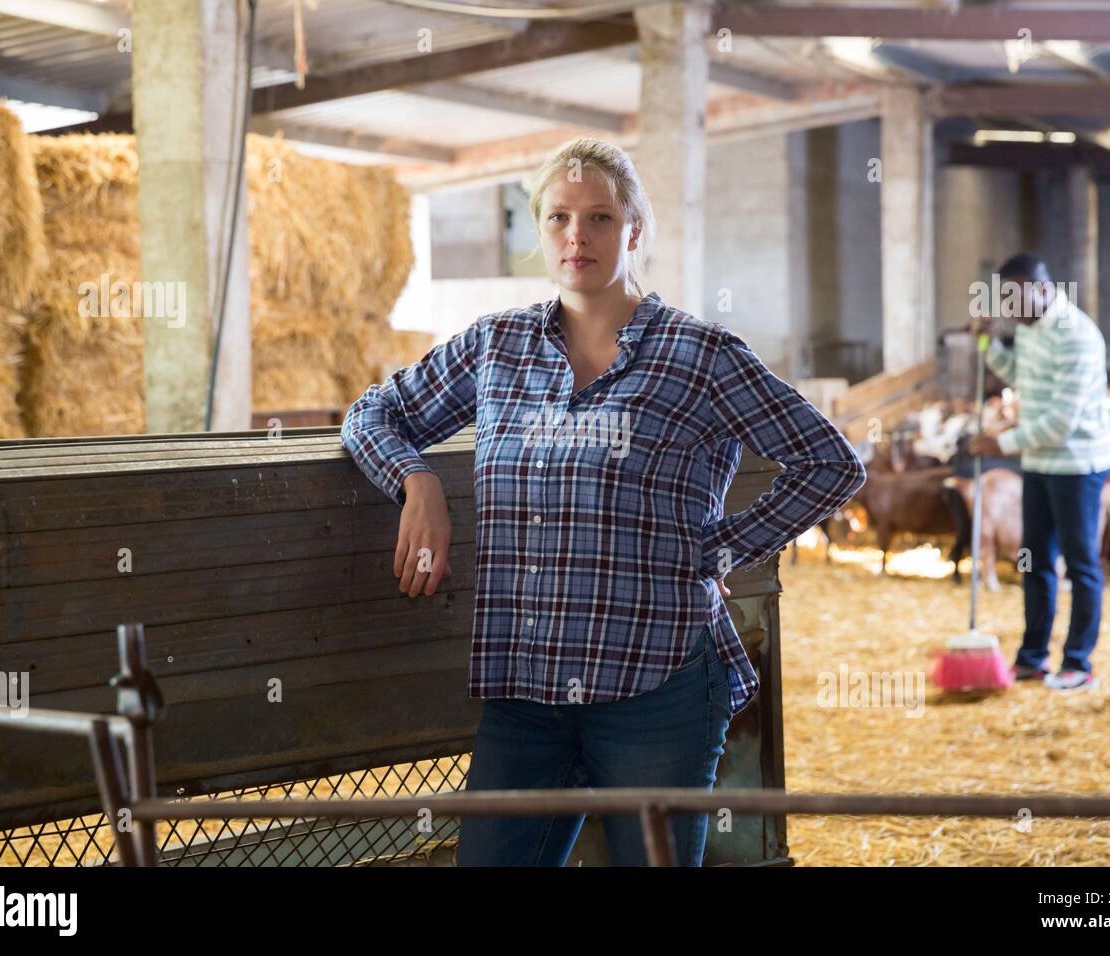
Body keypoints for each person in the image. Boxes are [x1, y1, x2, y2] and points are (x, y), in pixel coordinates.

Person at [342, 136, 864, 866]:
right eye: (557, 218)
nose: (576, 236)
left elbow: (831, 461)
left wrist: (723, 547)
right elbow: (372, 414)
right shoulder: (497, 347)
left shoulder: (700, 356)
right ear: (538, 230)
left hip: (658, 687)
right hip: (524, 689)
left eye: (599, 218)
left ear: (635, 231)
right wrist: (418, 483)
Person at [969, 253, 1110, 690]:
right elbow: (1019, 376)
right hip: (1038, 463)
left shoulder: (1077, 336)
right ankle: (1033, 658)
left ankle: (1078, 663)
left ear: (1042, 288)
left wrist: (1001, 444)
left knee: (1080, 562)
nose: (1009, 312)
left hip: (1076, 464)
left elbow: (1061, 423)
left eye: (1015, 301)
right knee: (1033, 561)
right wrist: (986, 345)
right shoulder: (1030, 330)